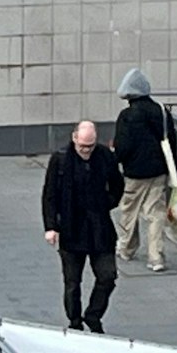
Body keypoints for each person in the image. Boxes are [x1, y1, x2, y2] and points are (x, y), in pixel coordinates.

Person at [42, 121, 125, 333]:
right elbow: (50, 194)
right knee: (72, 282)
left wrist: (107, 203)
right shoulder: (60, 159)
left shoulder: (104, 156)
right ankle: (75, 321)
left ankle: (93, 315)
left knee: (107, 276)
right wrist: (51, 227)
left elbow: (118, 184)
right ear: (74, 139)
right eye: (82, 146)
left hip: (99, 227)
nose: (86, 150)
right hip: (71, 227)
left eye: (90, 146)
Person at [112, 67, 175, 272]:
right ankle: (156, 257)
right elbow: (171, 140)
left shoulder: (127, 115)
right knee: (155, 212)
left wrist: (115, 161)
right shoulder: (161, 111)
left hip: (135, 172)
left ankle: (127, 248)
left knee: (129, 210)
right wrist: (174, 168)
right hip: (159, 170)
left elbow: (123, 146)